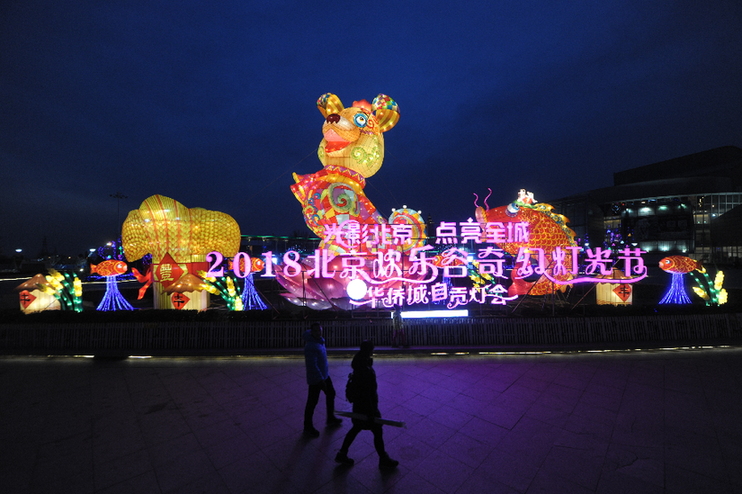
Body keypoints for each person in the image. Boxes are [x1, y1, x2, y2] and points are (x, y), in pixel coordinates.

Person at [335, 340, 399, 469]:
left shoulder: (359, 363)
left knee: (356, 428)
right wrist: (371, 412)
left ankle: (342, 453)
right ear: (369, 350)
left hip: (359, 406)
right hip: (368, 407)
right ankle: (383, 458)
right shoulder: (365, 370)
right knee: (377, 431)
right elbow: (367, 392)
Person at [303, 323, 342, 437]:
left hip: (324, 375)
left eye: (319, 330)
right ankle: (308, 426)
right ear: (311, 332)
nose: (318, 333)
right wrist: (320, 380)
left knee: (330, 394)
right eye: (316, 331)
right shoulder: (311, 346)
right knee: (312, 402)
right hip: (317, 379)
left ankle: (330, 418)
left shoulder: (319, 341)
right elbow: (312, 365)